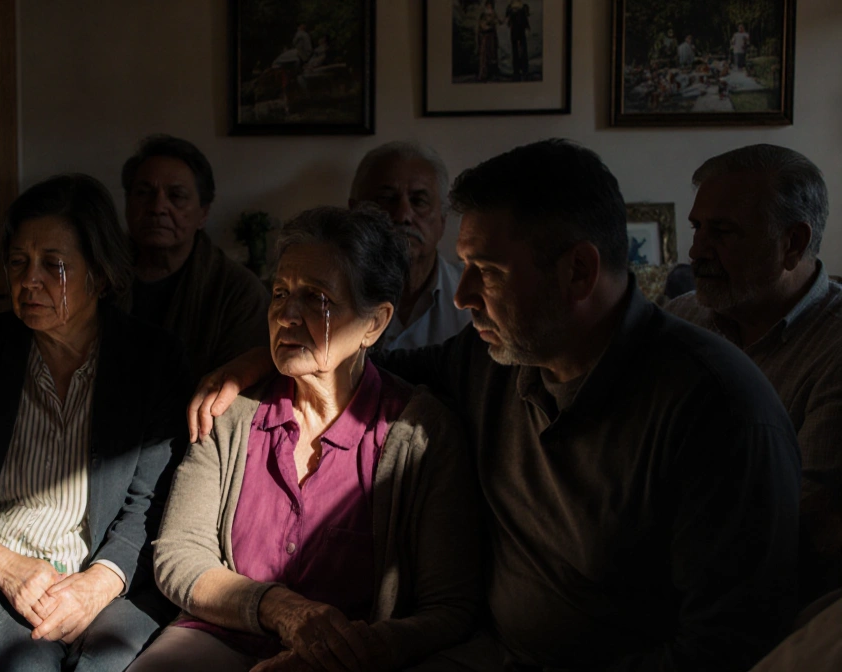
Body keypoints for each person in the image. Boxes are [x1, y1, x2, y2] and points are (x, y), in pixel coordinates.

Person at [189, 139, 801, 671]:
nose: (462, 296)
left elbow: (727, 650)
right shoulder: (493, 359)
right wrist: (257, 363)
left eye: (487, 271)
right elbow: (364, 370)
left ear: (579, 273)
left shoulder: (719, 412)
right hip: (485, 654)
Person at [128, 205, 480, 672]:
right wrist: (280, 609)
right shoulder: (231, 411)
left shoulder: (421, 434)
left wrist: (344, 652)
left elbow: (450, 607)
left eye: (316, 298)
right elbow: (178, 554)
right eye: (279, 293)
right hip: (220, 637)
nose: (287, 315)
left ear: (373, 324)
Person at [0, 173, 191, 671]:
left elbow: (151, 505)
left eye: (54, 265)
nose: (29, 281)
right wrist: (9, 569)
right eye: (19, 263)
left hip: (112, 578)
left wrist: (95, 586)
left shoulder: (154, 360)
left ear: (101, 273)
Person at [665, 144, 841, 605]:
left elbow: (799, 519)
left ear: (793, 243)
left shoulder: (835, 348)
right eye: (698, 227)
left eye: (722, 232)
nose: (696, 250)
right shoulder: (680, 318)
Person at [121, 134, 269, 380]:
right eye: (144, 193)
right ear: (127, 204)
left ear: (203, 213)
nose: (157, 207)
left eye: (176, 196)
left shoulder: (238, 292)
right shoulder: (98, 277)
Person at [348, 141, 471, 350]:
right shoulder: (326, 296)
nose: (403, 215)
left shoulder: (475, 298)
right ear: (354, 212)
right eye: (387, 199)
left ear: (442, 220)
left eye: (419, 201)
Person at [503, 0, 530, 80]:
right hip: (515, 30)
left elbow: (525, 18)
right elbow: (507, 18)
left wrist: (527, 27)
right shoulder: (511, 7)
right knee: (516, 51)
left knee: (522, 50)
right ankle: (517, 71)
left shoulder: (521, 7)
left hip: (520, 30)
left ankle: (523, 71)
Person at [476, 1, 500, 82]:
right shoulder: (483, 15)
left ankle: (492, 74)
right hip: (485, 38)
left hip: (492, 38)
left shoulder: (494, 14)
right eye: (488, 6)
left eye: (491, 6)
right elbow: (482, 26)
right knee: (484, 56)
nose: (489, 7)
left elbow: (497, 22)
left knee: (492, 55)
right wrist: (489, 25)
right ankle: (483, 74)